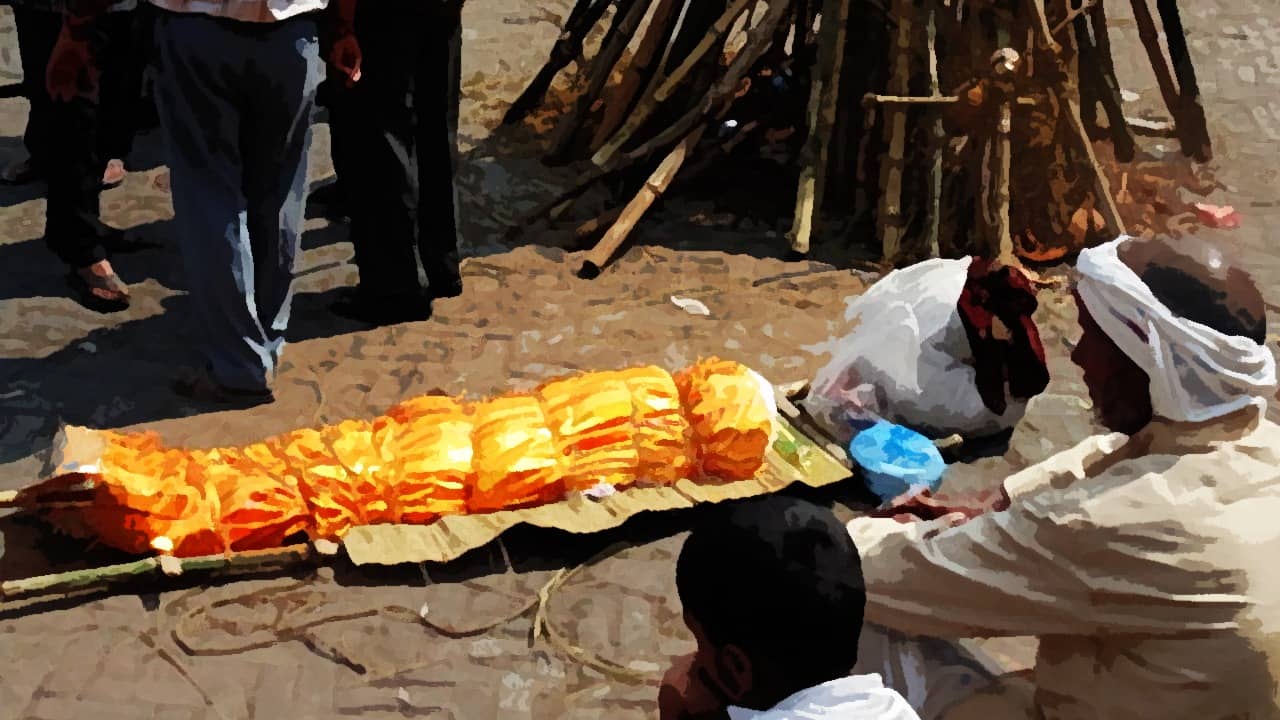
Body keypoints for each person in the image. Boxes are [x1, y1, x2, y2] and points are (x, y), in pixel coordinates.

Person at [848, 234, 1280, 719]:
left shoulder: (1114, 521)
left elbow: (880, 576)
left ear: (1148, 360)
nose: (1076, 357)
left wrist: (865, 531)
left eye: (1092, 337)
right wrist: (998, 503)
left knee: (838, 614)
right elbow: (1113, 454)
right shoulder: (1260, 447)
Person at [46, 0, 359, 402]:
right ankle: (265, 339)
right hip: (290, 35)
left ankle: (240, 362)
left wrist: (77, 30)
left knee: (210, 195)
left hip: (197, 33)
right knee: (279, 194)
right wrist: (343, 29)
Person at [658, 496, 921, 720]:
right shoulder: (895, 708)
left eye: (700, 645)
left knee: (679, 686)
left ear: (736, 667)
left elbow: (682, 686)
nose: (695, 658)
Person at [804, 256, 1050, 443]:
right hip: (908, 368)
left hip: (893, 331)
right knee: (999, 414)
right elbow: (1000, 390)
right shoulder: (975, 316)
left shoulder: (966, 279)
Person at [326, 0, 465, 325]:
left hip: (383, 14)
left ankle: (395, 288)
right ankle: (441, 266)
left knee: (380, 139)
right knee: (434, 125)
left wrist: (342, 24)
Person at [3, 0, 146, 310]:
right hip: (64, 11)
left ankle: (79, 219)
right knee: (71, 117)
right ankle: (81, 248)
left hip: (120, 8)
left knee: (112, 113)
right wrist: (76, 29)